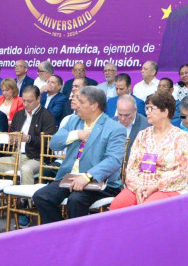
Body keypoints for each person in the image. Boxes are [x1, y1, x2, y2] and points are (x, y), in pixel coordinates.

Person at [33, 86, 126, 223]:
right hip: (70, 177)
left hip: (99, 181)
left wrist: (87, 176)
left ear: (94, 105)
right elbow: (53, 144)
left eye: (81, 102)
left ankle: (77, 239)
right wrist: (76, 134)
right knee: (41, 196)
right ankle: (63, 234)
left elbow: (113, 160)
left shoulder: (115, 128)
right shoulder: (73, 121)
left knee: (76, 200)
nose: (77, 106)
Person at [0, 85, 57, 226]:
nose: (26, 104)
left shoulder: (47, 116)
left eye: (30, 101)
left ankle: (25, 208)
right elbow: (13, 135)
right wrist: (10, 139)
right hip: (15, 155)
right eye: (24, 101)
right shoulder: (19, 114)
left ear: (38, 99)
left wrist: (28, 138)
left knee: (26, 170)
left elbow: (50, 142)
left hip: (36, 157)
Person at [112, 91, 188, 210]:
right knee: (117, 205)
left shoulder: (180, 137)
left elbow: (183, 173)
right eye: (146, 108)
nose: (147, 112)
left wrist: (155, 186)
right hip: (139, 186)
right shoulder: (143, 135)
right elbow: (132, 167)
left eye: (151, 109)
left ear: (165, 112)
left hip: (168, 188)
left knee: (148, 207)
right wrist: (138, 187)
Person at [116, 95, 148, 161]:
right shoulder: (110, 124)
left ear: (135, 110)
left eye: (127, 115)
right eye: (120, 114)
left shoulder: (146, 126)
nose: (122, 118)